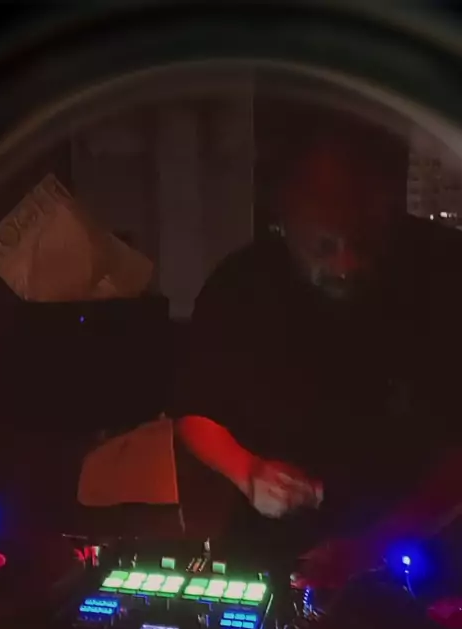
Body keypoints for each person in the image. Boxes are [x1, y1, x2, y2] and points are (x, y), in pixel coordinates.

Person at [173, 112, 462, 591]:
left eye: (364, 241)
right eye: (324, 246)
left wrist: (369, 549)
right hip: (273, 550)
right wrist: (247, 471)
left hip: (425, 552)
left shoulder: (446, 273)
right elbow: (195, 413)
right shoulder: (240, 285)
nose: (346, 264)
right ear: (284, 217)